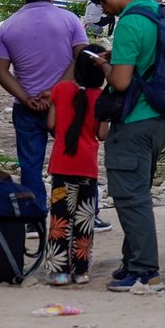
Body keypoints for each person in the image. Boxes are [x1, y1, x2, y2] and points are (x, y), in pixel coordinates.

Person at [87, 0, 165, 293]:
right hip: (157, 119)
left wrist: (103, 63)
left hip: (134, 122)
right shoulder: (155, 12)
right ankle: (131, 262)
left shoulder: (130, 23)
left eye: (102, 2)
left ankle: (145, 271)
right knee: (136, 194)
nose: (104, 9)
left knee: (130, 198)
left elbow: (121, 82)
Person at [0, 0, 88, 199]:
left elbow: (0, 71)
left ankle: (34, 219)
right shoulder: (69, 19)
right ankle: (83, 214)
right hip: (64, 102)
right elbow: (82, 58)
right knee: (74, 158)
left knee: (30, 165)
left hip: (27, 106)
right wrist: (54, 91)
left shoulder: (8, 26)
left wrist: (26, 97)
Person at [45, 46, 111, 286]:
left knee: (60, 220)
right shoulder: (100, 97)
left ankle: (58, 271)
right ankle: (81, 270)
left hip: (62, 166)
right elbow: (102, 134)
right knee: (84, 220)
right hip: (87, 167)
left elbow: (51, 123)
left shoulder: (60, 90)